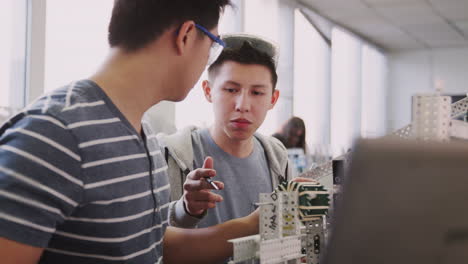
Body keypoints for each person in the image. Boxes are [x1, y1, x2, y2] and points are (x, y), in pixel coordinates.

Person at [0, 1, 262, 263]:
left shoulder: (142, 132)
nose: (207, 59)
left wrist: (254, 223)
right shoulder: (52, 135)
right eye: (212, 44)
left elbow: (154, 245)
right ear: (186, 36)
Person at [157, 34, 292, 229]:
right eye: (231, 89)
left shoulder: (278, 159)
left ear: (273, 98)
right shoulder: (169, 155)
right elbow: (147, 237)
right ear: (208, 90)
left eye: (257, 93)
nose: (243, 105)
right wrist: (185, 209)